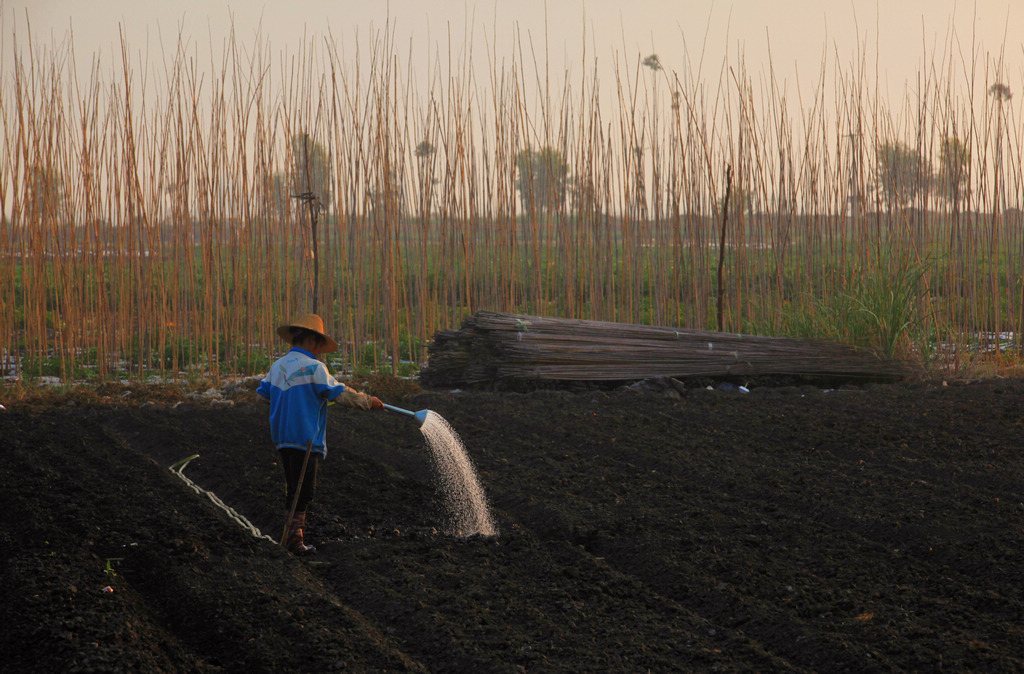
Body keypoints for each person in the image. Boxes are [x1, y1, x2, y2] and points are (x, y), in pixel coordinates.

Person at [256, 313, 384, 554]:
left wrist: (290, 403)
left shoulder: (278, 366)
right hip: (305, 439)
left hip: (282, 437)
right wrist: (368, 402)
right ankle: (294, 540)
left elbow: (262, 395)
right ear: (312, 341)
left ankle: (290, 536)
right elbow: (340, 394)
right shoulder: (314, 367)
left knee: (293, 486)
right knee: (304, 490)